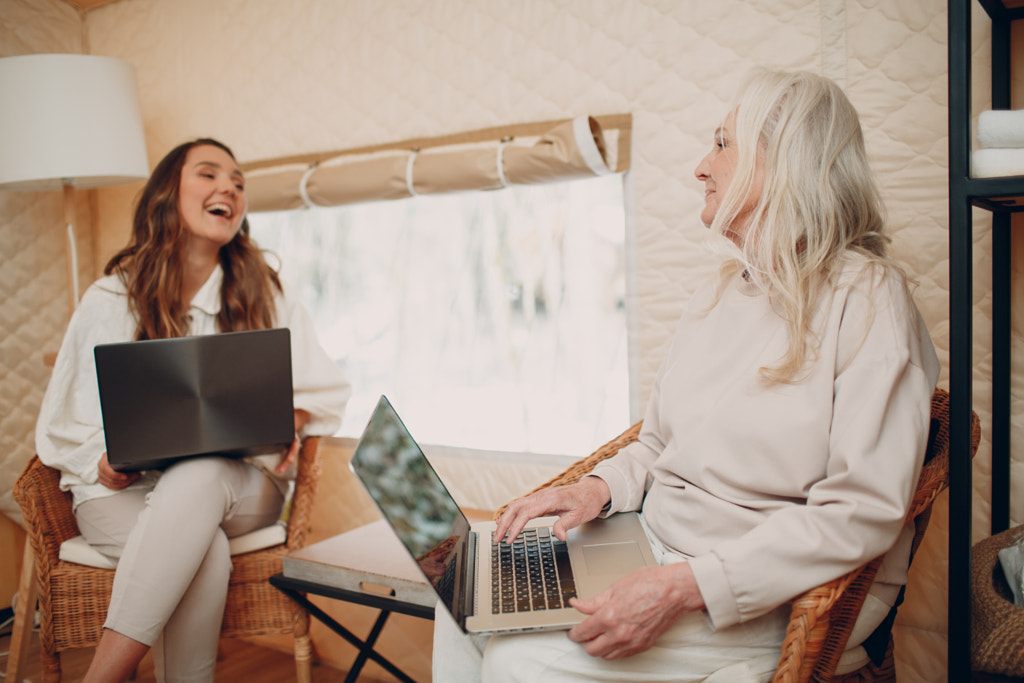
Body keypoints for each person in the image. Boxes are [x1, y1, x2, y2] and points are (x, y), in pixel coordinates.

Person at [432, 69, 940, 682]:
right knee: (463, 591)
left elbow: (861, 511)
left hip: (781, 583)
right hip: (657, 543)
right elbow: (658, 443)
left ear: (783, 163)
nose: (702, 166)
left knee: (519, 660)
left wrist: (680, 587)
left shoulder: (868, 298)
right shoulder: (721, 292)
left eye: (723, 143)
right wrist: (597, 488)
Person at [35, 138, 352, 683]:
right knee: (200, 549)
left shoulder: (265, 294)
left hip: (241, 485)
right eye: (209, 174)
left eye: (237, 182)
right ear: (167, 193)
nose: (228, 187)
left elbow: (326, 389)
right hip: (122, 494)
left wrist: (290, 421)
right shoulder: (110, 298)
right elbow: (64, 420)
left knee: (201, 473)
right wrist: (100, 462)